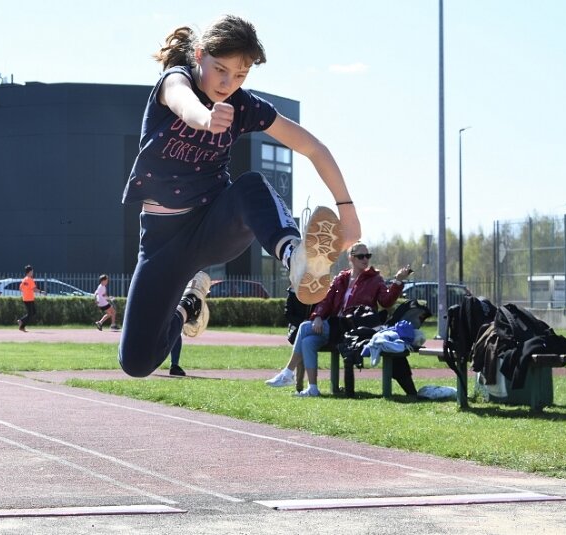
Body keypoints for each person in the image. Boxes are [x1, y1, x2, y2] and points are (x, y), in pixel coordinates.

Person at [117, 15, 360, 378]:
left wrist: (347, 208)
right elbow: (183, 102)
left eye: (241, 75)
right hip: (161, 243)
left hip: (213, 224)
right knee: (136, 362)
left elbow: (313, 148)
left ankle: (297, 258)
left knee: (249, 186)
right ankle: (190, 303)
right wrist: (205, 118)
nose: (228, 83)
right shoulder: (175, 80)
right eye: (221, 70)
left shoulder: (244, 106)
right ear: (199, 56)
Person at [266, 241, 413, 396]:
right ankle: (313, 389)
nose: (365, 259)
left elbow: (386, 301)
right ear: (351, 258)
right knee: (306, 341)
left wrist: (398, 282)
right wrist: (317, 317)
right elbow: (326, 300)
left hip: (353, 328)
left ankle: (288, 372)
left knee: (303, 327)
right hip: (335, 326)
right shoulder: (341, 278)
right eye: (361, 256)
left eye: (367, 256)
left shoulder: (375, 279)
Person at [17, 265, 44, 332]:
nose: (32, 272)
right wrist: (41, 292)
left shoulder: (24, 279)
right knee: (30, 314)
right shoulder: (30, 280)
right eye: (32, 271)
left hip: (26, 298)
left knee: (33, 312)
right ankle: (22, 324)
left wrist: (26, 291)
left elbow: (20, 288)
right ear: (29, 272)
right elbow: (34, 289)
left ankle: (21, 322)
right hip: (29, 299)